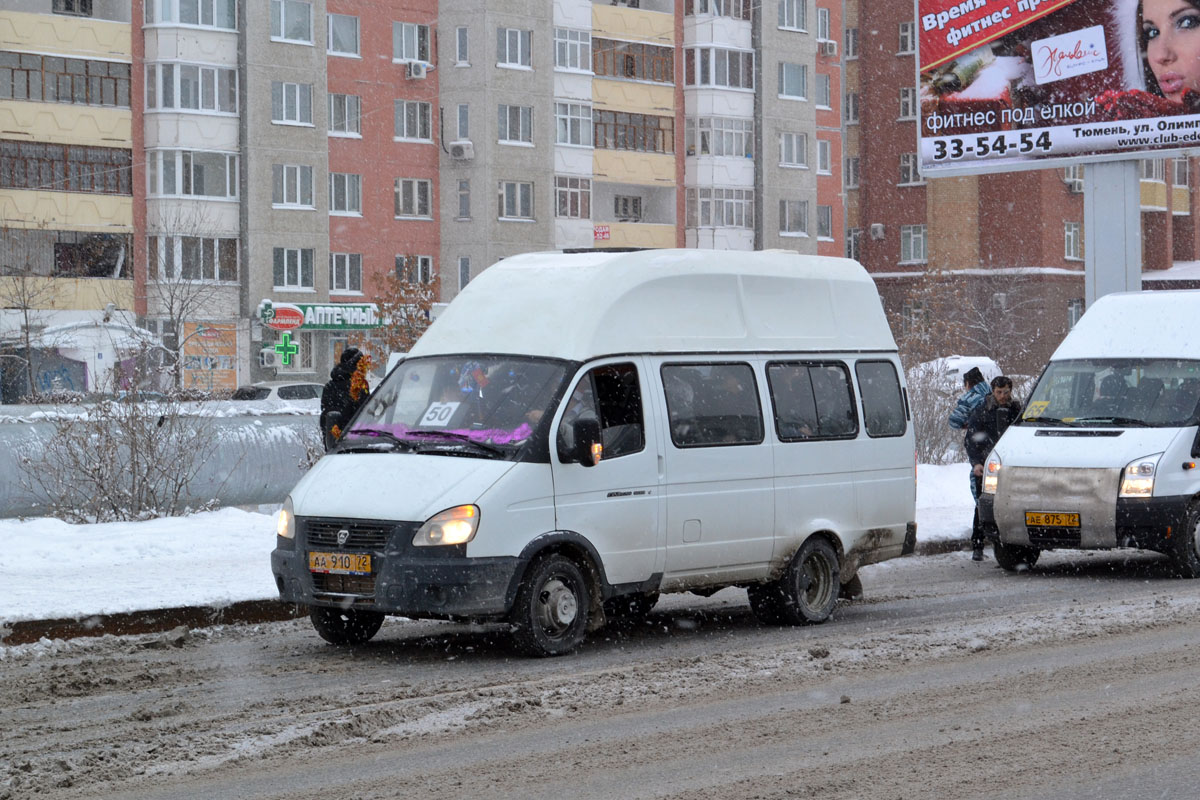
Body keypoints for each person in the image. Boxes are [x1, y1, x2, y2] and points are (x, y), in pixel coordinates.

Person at [965, 375, 1023, 561]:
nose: (1003, 396)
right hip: (987, 463)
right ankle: (978, 545)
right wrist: (976, 463)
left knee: (1012, 504)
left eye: (1006, 392)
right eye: (999, 392)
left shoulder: (1016, 410)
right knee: (983, 505)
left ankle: (1009, 543)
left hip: (1009, 465)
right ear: (993, 391)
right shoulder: (983, 410)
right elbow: (972, 439)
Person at [320, 347, 370, 451]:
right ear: (355, 365)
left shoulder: (329, 386)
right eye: (361, 364)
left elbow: (325, 418)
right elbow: (367, 415)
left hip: (334, 445)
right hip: (357, 444)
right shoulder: (359, 387)